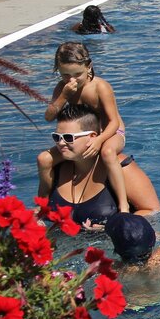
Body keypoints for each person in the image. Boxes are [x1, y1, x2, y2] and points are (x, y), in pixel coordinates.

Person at [38, 44, 131, 216]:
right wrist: (64, 96)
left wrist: (99, 140)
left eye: (77, 74)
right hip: (80, 137)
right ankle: (42, 204)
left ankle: (123, 205)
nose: (71, 80)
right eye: (65, 75)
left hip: (110, 133)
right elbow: (49, 117)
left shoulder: (100, 87)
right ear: (57, 70)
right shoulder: (62, 88)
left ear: (88, 67)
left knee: (108, 153)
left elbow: (114, 123)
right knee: (44, 159)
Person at [43, 106, 160, 231]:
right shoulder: (54, 169)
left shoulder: (121, 167)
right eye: (57, 137)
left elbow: (153, 212)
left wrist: (113, 226)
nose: (61, 143)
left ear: (93, 136)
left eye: (68, 138)